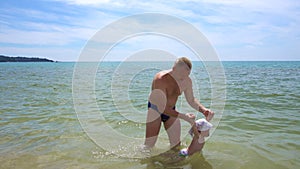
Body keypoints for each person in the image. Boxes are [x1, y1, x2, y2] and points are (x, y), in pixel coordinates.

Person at [144, 57, 214, 149]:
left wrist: (203, 110)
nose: (183, 79)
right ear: (174, 69)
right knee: (149, 145)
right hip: (155, 110)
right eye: (181, 76)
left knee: (176, 146)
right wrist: (185, 117)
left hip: (171, 111)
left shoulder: (187, 80)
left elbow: (191, 100)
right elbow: (162, 108)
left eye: (186, 75)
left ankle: (172, 162)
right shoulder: (160, 79)